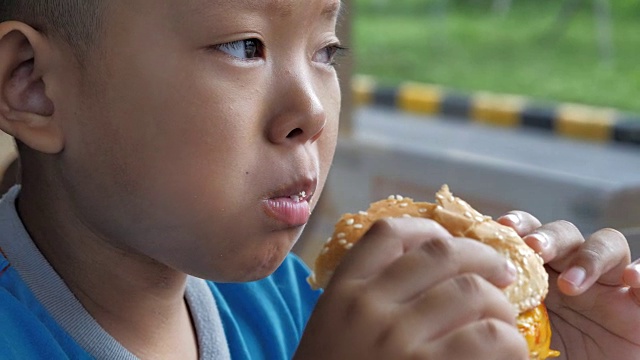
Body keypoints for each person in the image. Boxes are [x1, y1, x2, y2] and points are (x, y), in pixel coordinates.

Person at [0, 1, 638, 359]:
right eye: (244, 46)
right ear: (33, 83)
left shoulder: (297, 302)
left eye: (326, 52)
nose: (310, 111)